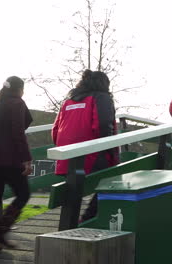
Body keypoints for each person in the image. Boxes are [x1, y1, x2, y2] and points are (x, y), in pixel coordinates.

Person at [52, 70, 119, 222]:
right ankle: (87, 219)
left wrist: (63, 147)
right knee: (113, 179)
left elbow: (56, 129)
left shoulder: (68, 101)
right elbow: (103, 125)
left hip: (67, 155)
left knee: (74, 190)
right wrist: (111, 151)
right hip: (92, 154)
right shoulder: (102, 97)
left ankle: (69, 224)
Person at [0, 77, 33, 258]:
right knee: (23, 194)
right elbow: (19, 132)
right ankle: (0, 232)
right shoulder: (17, 103)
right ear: (20, 89)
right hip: (9, 160)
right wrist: (26, 159)